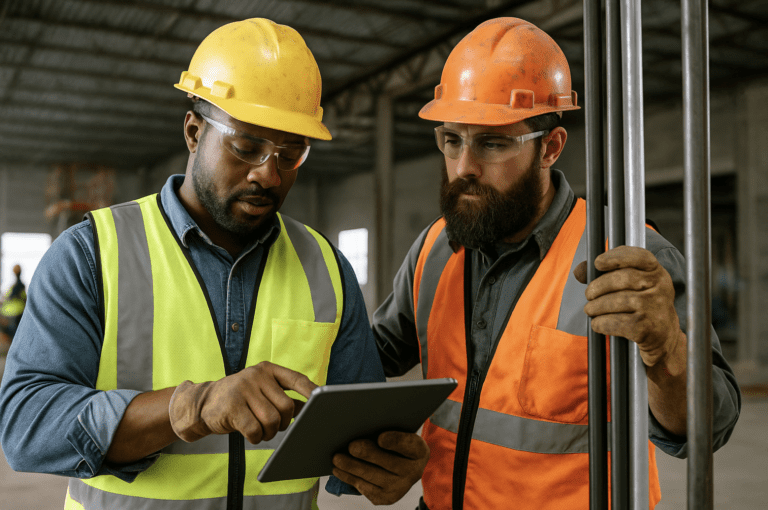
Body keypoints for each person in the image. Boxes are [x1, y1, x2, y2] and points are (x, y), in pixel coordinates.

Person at [0, 19, 428, 509]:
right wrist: (191, 407)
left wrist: (383, 468)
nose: (267, 174)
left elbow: (356, 437)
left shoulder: (326, 267)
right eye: (246, 146)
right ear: (193, 131)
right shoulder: (93, 254)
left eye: (291, 154)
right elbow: (26, 426)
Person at [367, 17, 741, 510]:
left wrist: (665, 348)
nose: (464, 167)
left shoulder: (624, 257)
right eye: (452, 139)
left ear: (551, 147)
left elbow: (708, 428)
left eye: (492, 143)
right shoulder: (436, 248)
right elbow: (370, 358)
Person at [0, 264, 26, 344]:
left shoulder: (17, 286)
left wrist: (5, 299)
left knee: (13, 332)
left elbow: (11, 297)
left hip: (12, 312)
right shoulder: (19, 285)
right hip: (16, 311)